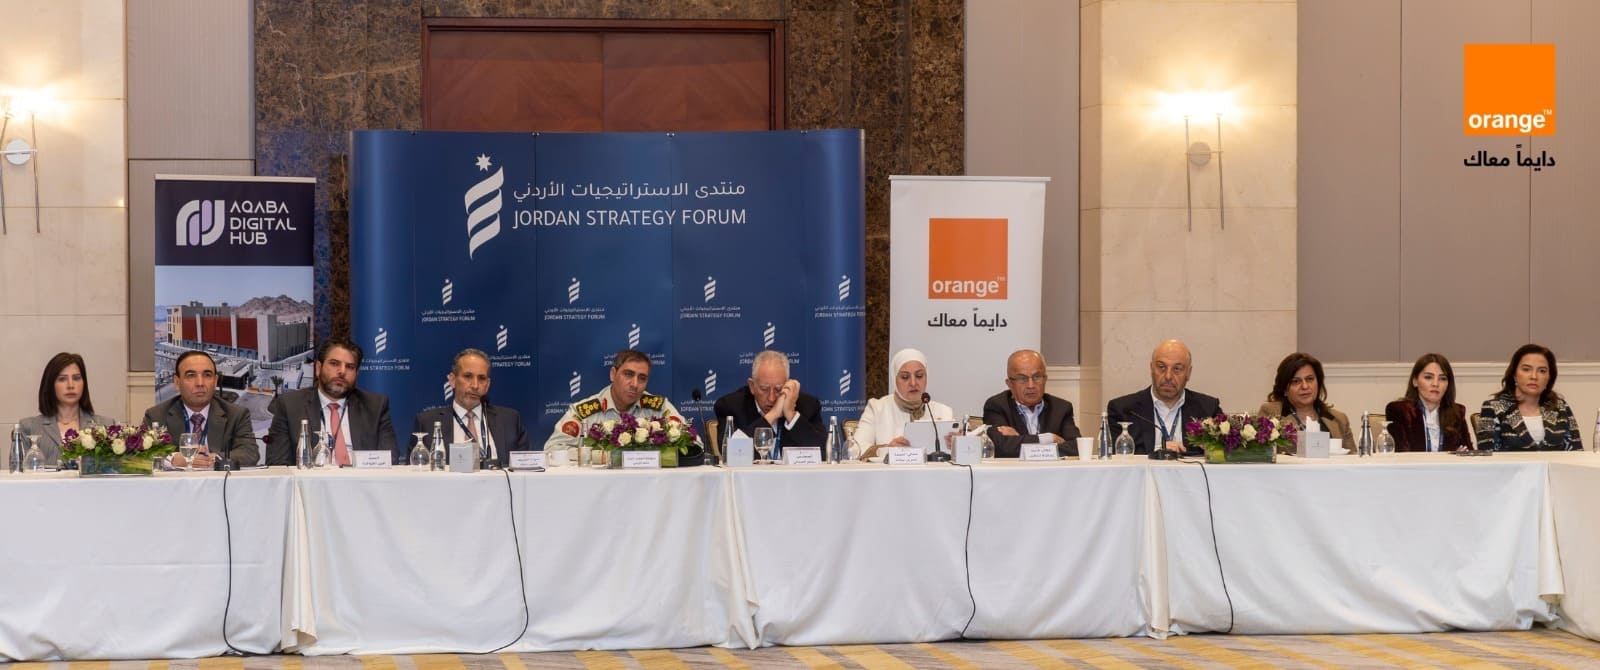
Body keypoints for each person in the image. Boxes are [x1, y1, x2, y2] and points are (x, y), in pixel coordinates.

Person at [266, 338, 398, 466]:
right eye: (334, 364)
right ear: (318, 368)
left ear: (356, 374)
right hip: (312, 480)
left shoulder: (375, 406)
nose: (342, 371)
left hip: (362, 480)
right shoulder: (290, 406)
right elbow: (278, 464)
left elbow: (390, 460)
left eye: (350, 367)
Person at [546, 348, 686, 454]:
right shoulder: (584, 412)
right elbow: (553, 449)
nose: (635, 384)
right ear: (613, 374)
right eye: (628, 374)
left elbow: (693, 443)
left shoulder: (659, 407)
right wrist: (600, 455)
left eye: (642, 378)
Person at [414, 348, 532, 467]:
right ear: (452, 380)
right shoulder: (426, 422)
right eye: (468, 376)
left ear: (487, 385)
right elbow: (414, 471)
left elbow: (524, 470)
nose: (475, 385)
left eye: (482, 378)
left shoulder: (510, 420)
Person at [1105, 340, 1223, 456]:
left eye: (1177, 369)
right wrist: (1159, 451)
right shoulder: (1123, 410)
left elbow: (1225, 452)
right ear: (1151, 369)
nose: (1168, 376)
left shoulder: (1208, 409)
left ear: (1188, 373)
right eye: (1161, 367)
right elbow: (1115, 456)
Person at [143, 350, 259, 468]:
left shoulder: (236, 415)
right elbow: (141, 455)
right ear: (177, 382)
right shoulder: (156, 416)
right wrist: (172, 459)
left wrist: (211, 459)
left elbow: (250, 454)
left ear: (215, 381)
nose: (200, 383)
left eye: (207, 375)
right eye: (191, 375)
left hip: (219, 479)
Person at [852, 348, 956, 460]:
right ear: (894, 379)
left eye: (919, 376)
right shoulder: (877, 408)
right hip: (890, 472)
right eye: (905, 377)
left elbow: (958, 456)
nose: (913, 383)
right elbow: (855, 450)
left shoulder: (944, 411)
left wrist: (957, 445)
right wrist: (886, 449)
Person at [712, 350, 825, 451]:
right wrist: (772, 415)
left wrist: (791, 415)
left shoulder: (808, 405)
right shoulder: (731, 406)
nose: (771, 398)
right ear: (752, 386)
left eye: (778, 389)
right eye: (764, 389)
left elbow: (824, 453)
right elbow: (731, 453)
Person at [1476, 344, 1583, 451]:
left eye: (1542, 371)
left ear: (1549, 377)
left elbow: (1576, 451)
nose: (1534, 376)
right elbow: (1486, 455)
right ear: (1514, 374)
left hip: (1556, 463)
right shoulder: (1494, 408)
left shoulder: (1560, 406)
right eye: (1526, 369)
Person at [18, 352, 113, 467]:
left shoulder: (105, 426)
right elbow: (19, 473)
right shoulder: (29, 427)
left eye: (76, 378)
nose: (71, 385)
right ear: (50, 385)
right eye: (62, 379)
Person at [982, 349, 1081, 457]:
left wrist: (1019, 440)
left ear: (1045, 379)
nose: (1031, 385)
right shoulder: (997, 406)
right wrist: (1049, 438)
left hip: (1051, 468)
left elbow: (1076, 447)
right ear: (1009, 383)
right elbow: (1001, 447)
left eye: (1037, 377)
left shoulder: (1061, 408)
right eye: (1022, 378)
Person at [1258, 352, 1353, 454]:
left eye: (1309, 379)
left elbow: (1353, 458)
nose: (1305, 386)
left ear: (1318, 383)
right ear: (1284, 389)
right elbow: (1261, 455)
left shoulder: (1339, 419)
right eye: (1296, 381)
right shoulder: (1271, 414)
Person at [1385, 353, 1472, 452]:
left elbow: (1469, 452)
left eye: (1442, 379)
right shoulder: (1399, 411)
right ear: (1415, 381)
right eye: (1428, 377)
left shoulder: (1457, 412)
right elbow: (1401, 454)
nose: (1435, 384)